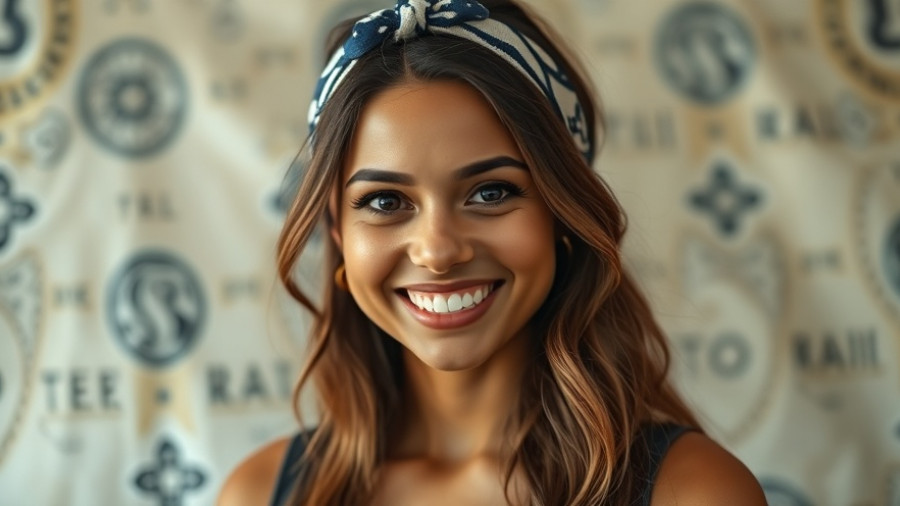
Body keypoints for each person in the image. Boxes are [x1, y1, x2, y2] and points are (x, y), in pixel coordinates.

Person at [218, 0, 767, 504]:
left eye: (491, 192)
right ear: (337, 230)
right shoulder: (260, 493)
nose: (438, 250)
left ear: (561, 212)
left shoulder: (694, 492)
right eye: (386, 200)